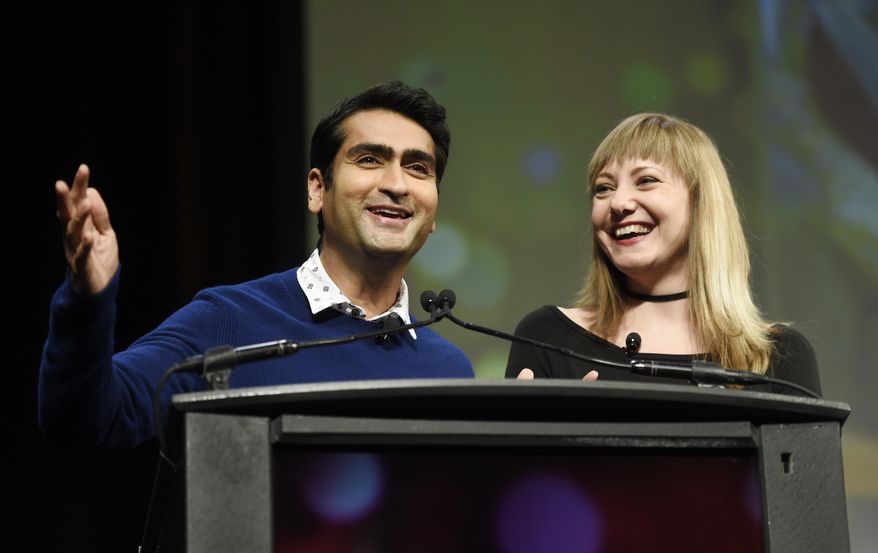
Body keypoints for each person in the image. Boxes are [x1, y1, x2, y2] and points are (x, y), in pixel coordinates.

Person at [40, 81, 474, 449]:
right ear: (317, 190)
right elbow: (84, 421)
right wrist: (87, 301)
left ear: (433, 213)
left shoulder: (451, 371)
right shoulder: (228, 321)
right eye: (369, 159)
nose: (397, 184)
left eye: (418, 168)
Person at [506, 113, 821, 397]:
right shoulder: (547, 336)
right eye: (604, 188)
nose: (618, 203)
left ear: (701, 203)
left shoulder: (778, 356)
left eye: (646, 180)